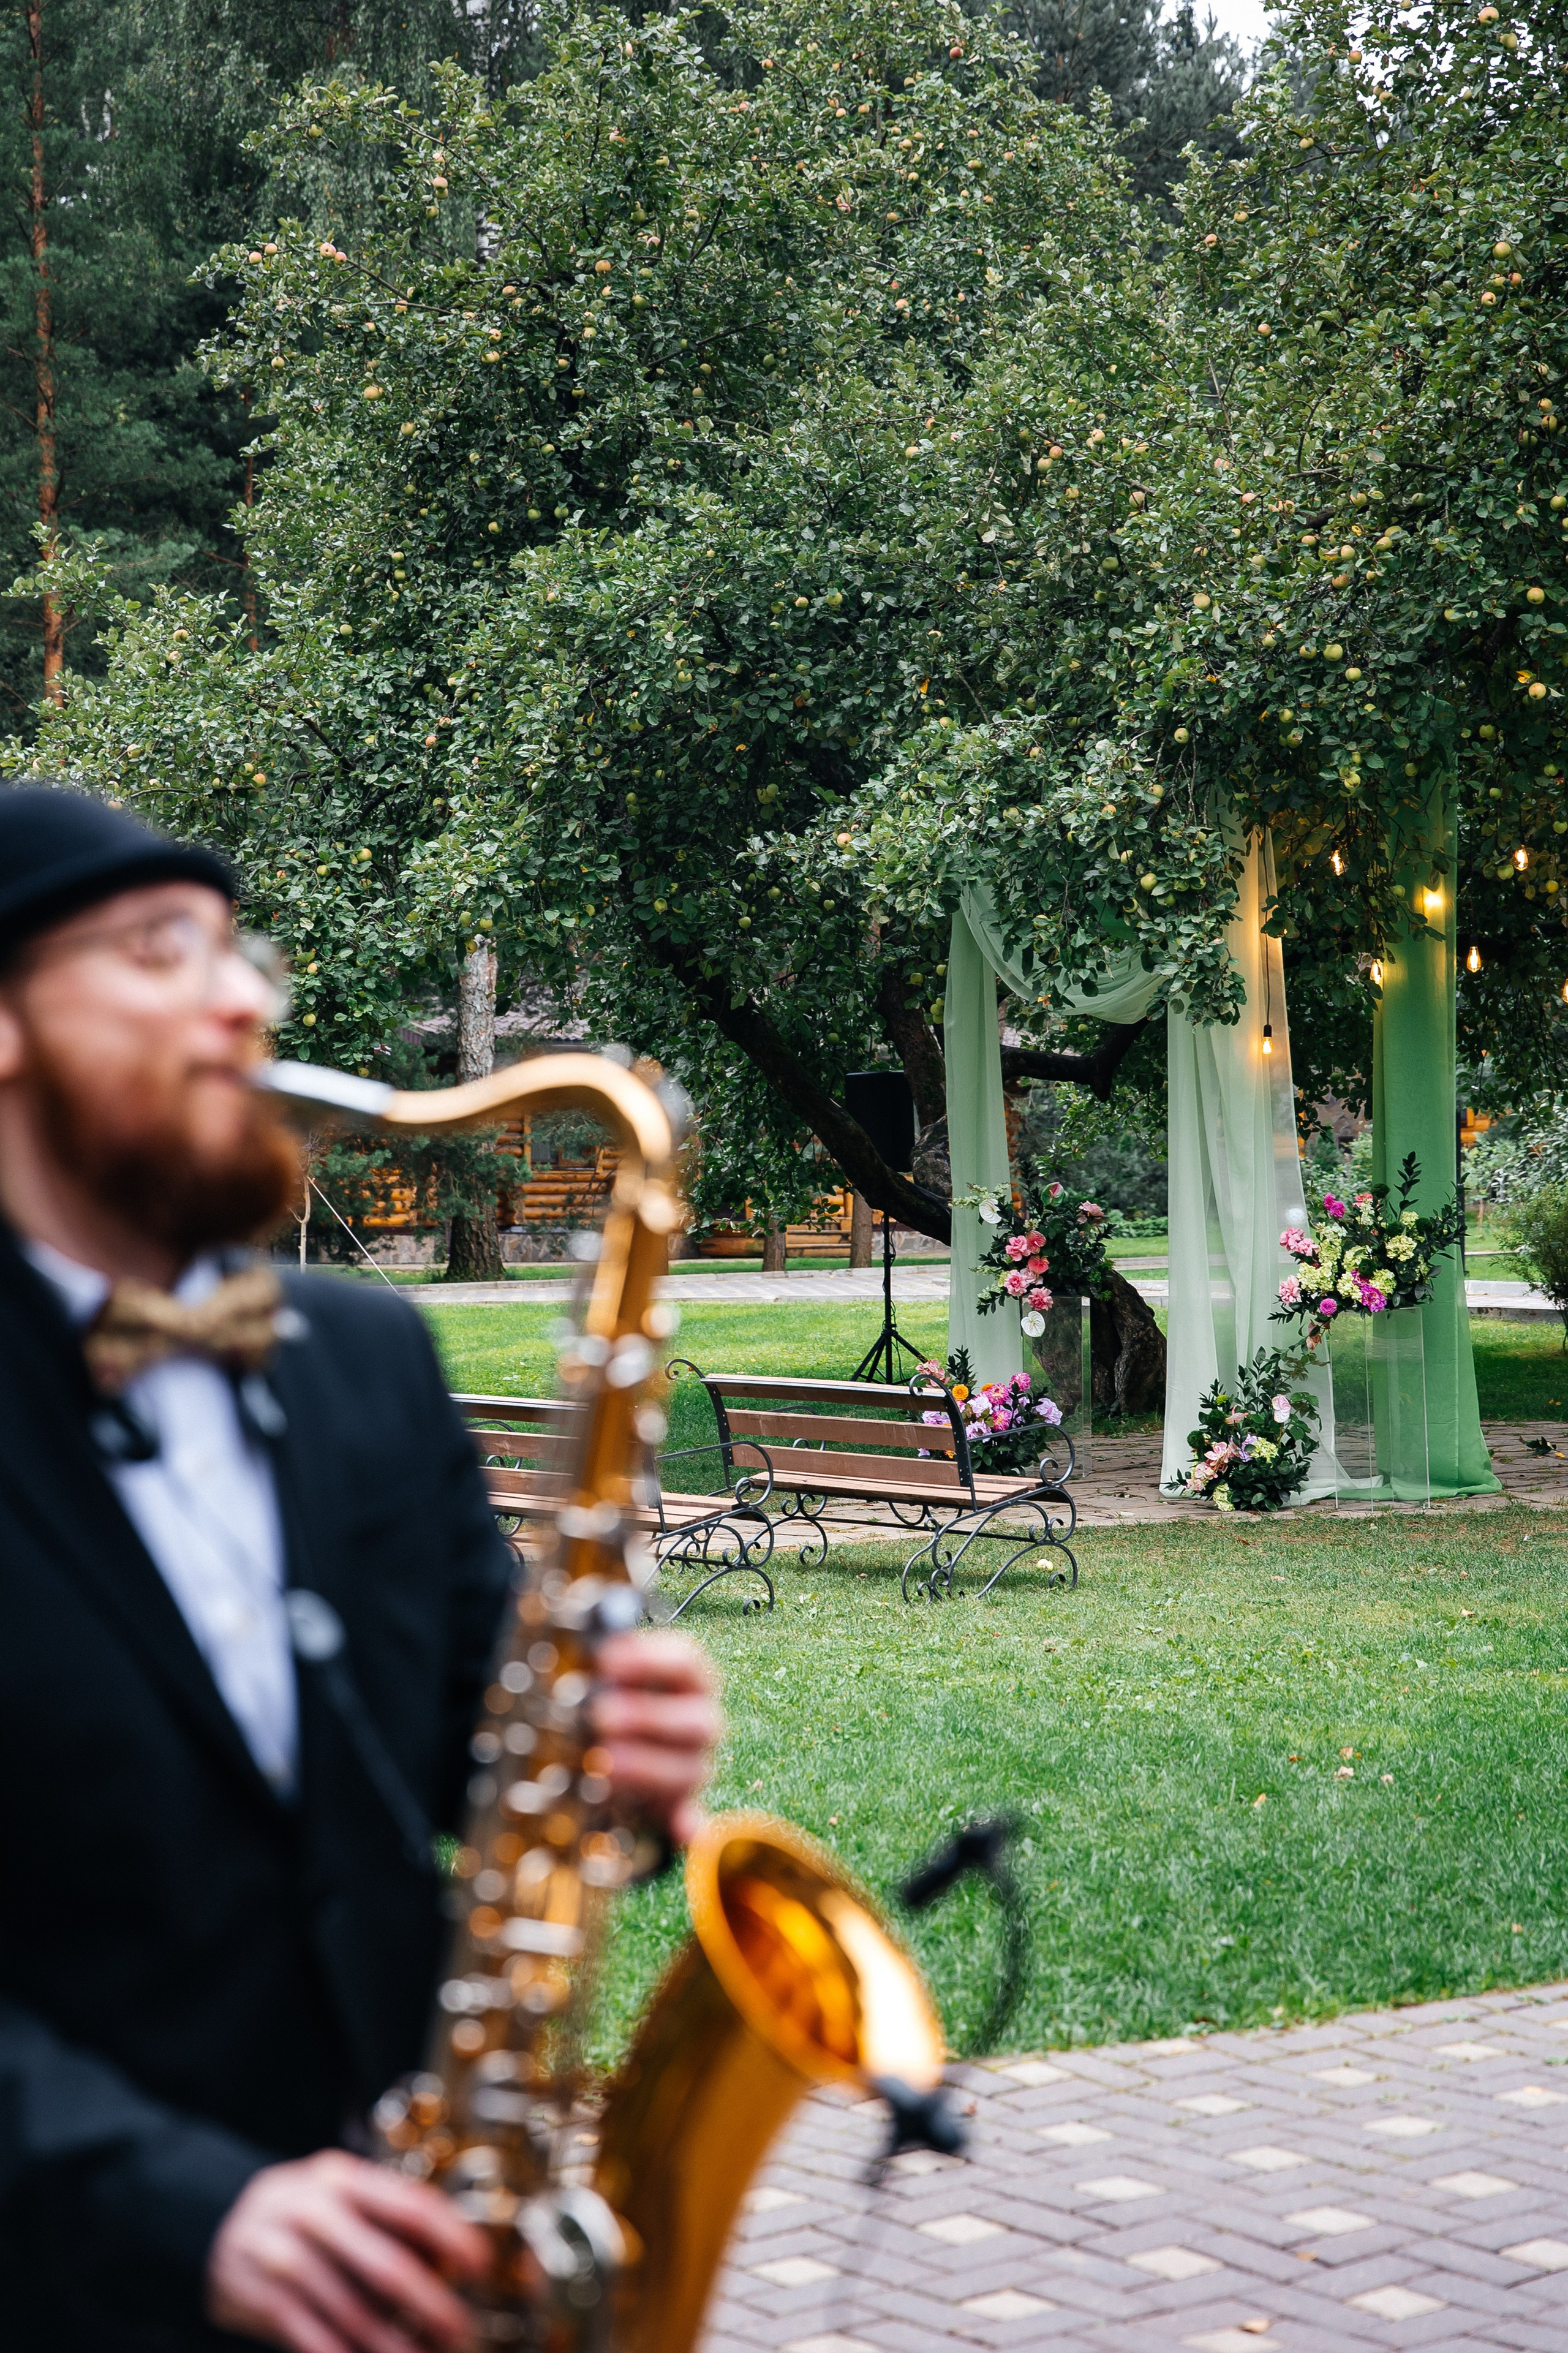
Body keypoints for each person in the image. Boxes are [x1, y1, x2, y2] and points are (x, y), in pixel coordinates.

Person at [0, 785, 722, 2353]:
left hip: (424, 2246)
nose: (241, 999)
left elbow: (482, 1732)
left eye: (239, 953)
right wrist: (186, 2211)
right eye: (158, 951)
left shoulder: (365, 1352)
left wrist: (612, 1756)